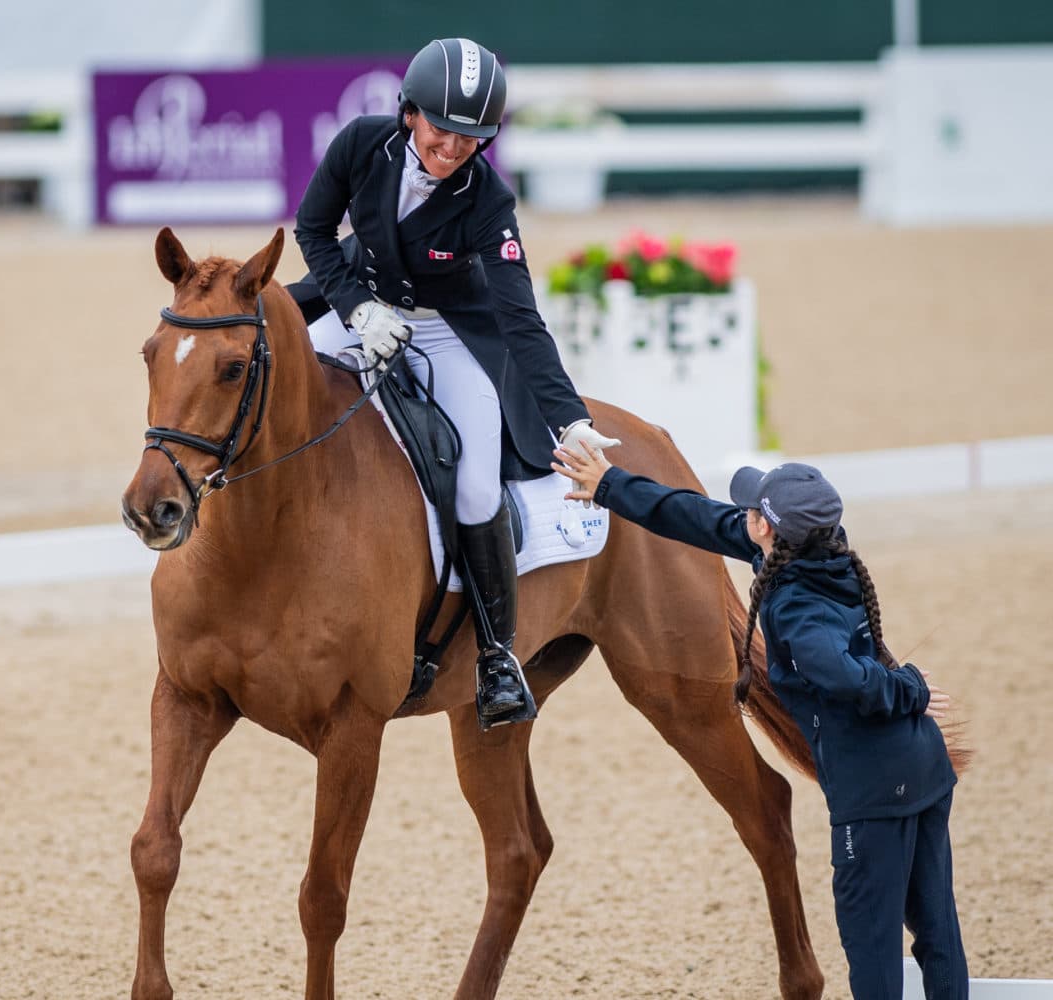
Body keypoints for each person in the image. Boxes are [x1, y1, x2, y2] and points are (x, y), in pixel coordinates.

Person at [550, 445, 968, 1000]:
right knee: (937, 929)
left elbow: (846, 679)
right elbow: (690, 515)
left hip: (873, 791)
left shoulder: (797, 608)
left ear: (766, 527)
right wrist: (610, 485)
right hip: (924, 766)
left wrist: (907, 687)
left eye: (749, 508)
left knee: (871, 947)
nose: (739, 512)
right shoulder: (815, 553)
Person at [291, 37, 620, 729]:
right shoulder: (360, 144)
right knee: (274, 386)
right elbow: (315, 230)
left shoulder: (489, 201)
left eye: (470, 139)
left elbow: (520, 317)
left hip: (449, 329)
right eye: (441, 131)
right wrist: (355, 307)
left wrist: (570, 420)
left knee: (474, 482)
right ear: (410, 114)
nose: (450, 150)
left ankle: (497, 655)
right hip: (357, 302)